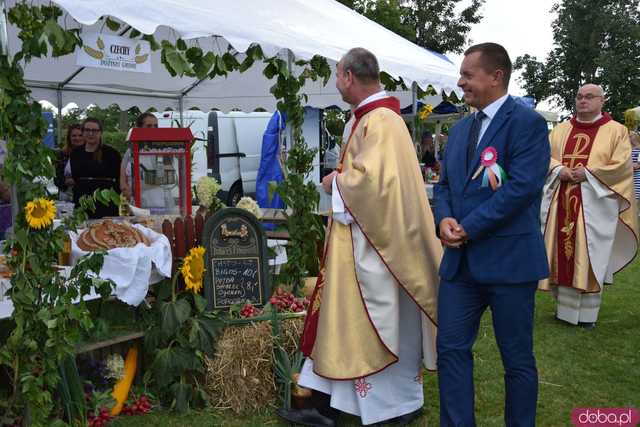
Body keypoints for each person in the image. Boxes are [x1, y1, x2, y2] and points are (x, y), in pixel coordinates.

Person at [279, 48, 441, 427]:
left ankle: (391, 407)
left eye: (337, 76)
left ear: (350, 76)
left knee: (377, 320)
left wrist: (335, 182)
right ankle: (339, 404)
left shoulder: (381, 120)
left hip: (380, 248)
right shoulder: (369, 118)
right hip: (364, 238)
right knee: (352, 320)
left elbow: (375, 183)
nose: (336, 83)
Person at [434, 42, 550, 427]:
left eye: (468, 74)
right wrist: (444, 219)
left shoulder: (527, 123)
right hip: (460, 268)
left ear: (496, 76)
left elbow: (522, 188)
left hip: (509, 265)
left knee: (517, 360)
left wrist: (470, 227)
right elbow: (446, 185)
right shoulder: (461, 127)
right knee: (450, 351)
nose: (461, 81)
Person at [538, 84, 638, 328]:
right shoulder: (561, 130)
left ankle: (587, 316)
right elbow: (544, 156)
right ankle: (564, 310)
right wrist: (560, 169)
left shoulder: (616, 131)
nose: (583, 101)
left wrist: (590, 173)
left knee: (590, 254)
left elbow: (622, 165)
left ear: (602, 101)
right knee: (560, 253)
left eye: (589, 97)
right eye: (579, 96)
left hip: (594, 206)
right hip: (561, 201)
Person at [70, 118, 121, 219]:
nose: (90, 133)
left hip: (106, 200)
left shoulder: (112, 153)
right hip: (82, 200)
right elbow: (75, 176)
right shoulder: (76, 153)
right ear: (83, 132)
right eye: (87, 130)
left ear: (100, 132)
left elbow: (118, 177)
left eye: (94, 130)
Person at [120, 112, 158, 200]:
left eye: (155, 126)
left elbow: (165, 179)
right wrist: (126, 189)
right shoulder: (129, 152)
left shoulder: (163, 151)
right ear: (139, 128)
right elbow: (122, 179)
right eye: (149, 126)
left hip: (156, 200)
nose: (153, 129)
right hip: (135, 200)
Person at [55, 124, 84, 201]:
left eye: (80, 135)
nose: (77, 138)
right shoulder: (62, 154)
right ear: (69, 138)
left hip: (84, 196)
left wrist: (73, 180)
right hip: (65, 196)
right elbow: (57, 179)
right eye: (74, 135)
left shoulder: (91, 154)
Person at [630, 131, 640, 208]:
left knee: (635, 197)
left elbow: (637, 166)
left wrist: (625, 166)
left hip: (637, 177)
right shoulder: (628, 150)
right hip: (629, 176)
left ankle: (635, 214)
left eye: (630, 137)